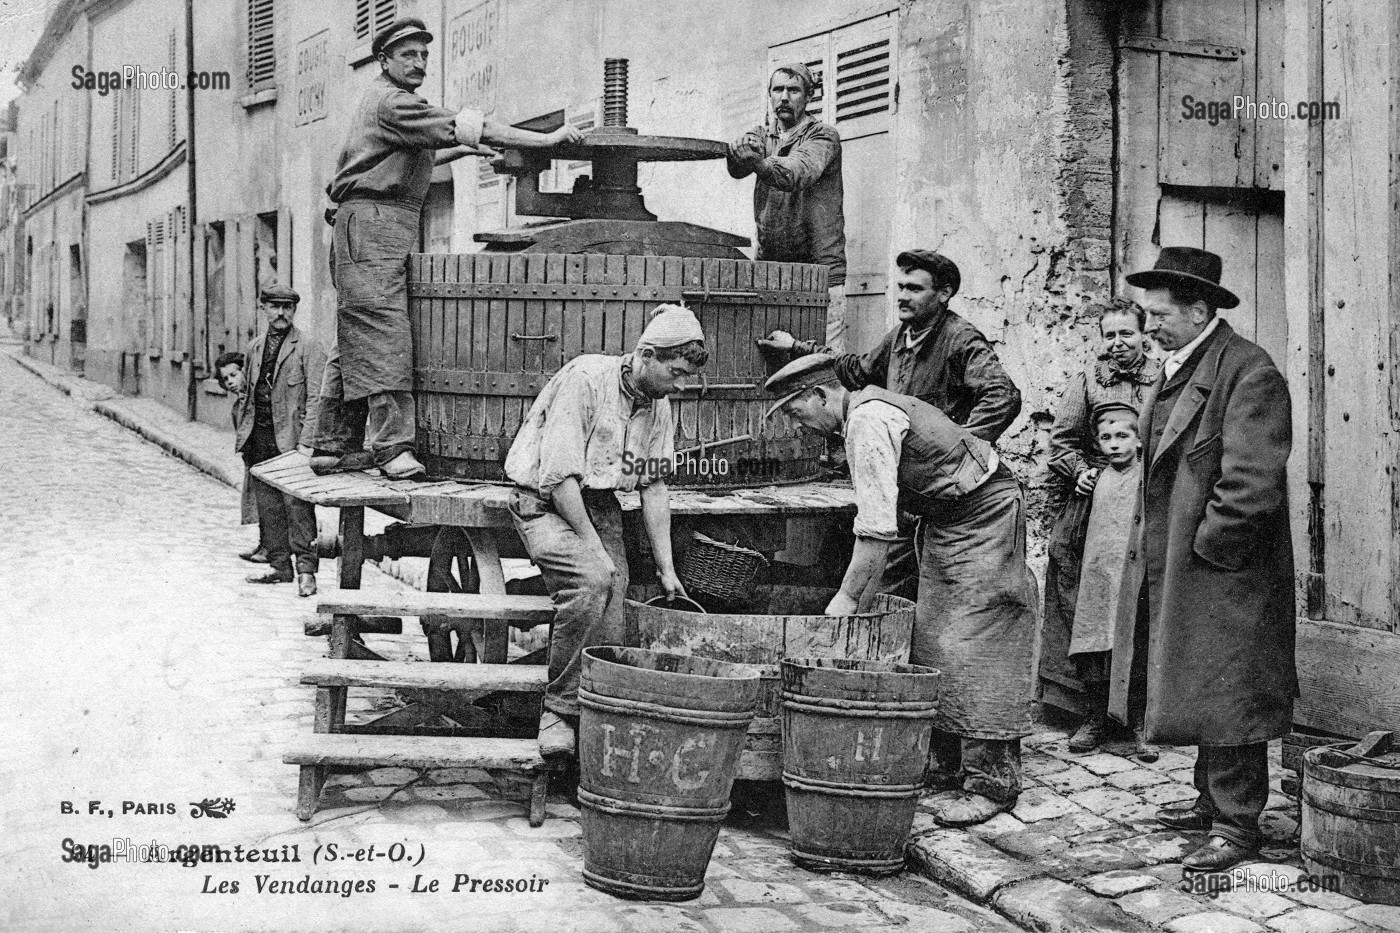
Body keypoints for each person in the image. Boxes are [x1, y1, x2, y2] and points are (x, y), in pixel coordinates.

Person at [764, 353, 1038, 826]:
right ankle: (951, 765)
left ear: (822, 395)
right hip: (948, 517)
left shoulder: (867, 422)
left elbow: (874, 531)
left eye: (795, 411)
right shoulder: (860, 414)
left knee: (977, 642)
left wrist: (847, 601)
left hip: (984, 514)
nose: (796, 425)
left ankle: (992, 781)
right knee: (936, 638)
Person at [308, 16, 582, 479]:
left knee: (358, 327)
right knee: (383, 329)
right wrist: (546, 139)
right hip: (373, 223)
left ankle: (331, 444)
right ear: (383, 60)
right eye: (407, 55)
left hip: (379, 222)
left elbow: (422, 153)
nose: (418, 63)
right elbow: (466, 125)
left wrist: (470, 152)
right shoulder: (392, 101)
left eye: (423, 55)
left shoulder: (393, 104)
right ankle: (393, 449)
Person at [1108, 247, 1297, 874]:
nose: (1149, 325)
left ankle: (1237, 824)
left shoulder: (1250, 370)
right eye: (1146, 313)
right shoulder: (1179, 363)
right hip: (1180, 562)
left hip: (1225, 568)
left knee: (1230, 689)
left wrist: (1209, 548)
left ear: (1198, 310)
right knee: (1195, 680)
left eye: (1159, 315)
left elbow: (1251, 482)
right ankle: (1205, 800)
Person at [759, 249, 1022, 596]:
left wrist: (960, 447)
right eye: (900, 287)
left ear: (943, 294)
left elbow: (1003, 396)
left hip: (953, 493)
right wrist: (798, 348)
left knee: (957, 597)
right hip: (909, 492)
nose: (902, 296)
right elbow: (855, 369)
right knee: (884, 585)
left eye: (914, 289)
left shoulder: (961, 339)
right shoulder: (900, 336)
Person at [504, 305, 702, 758]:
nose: (682, 385)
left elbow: (653, 485)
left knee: (614, 610)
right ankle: (557, 712)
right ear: (646, 354)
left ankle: (595, 720)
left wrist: (666, 568)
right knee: (594, 580)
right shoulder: (586, 379)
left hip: (600, 505)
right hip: (544, 502)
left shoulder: (659, 404)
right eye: (676, 372)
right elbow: (559, 478)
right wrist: (595, 550)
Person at [1037, 298, 1159, 755]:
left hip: (1146, 506)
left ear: (1143, 334)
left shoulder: (1162, 379)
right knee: (1088, 603)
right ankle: (1092, 712)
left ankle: (1141, 716)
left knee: (1142, 605)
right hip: (1095, 508)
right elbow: (1061, 444)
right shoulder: (1088, 380)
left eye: (1126, 333)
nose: (1118, 343)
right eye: (1109, 335)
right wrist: (1080, 472)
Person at [728, 63, 848, 350]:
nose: (784, 97)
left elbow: (797, 171)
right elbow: (736, 169)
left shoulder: (823, 136)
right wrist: (739, 150)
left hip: (819, 274)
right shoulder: (762, 135)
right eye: (777, 89)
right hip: (772, 272)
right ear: (769, 95)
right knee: (770, 362)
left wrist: (758, 162)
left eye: (793, 90)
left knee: (822, 364)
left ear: (808, 97)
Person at [1058, 401, 1144, 756]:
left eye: (1122, 436)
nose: (1114, 444)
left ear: (1139, 441)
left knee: (1135, 643)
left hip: (1133, 577)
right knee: (1095, 644)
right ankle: (1096, 717)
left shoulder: (1147, 478)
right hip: (1098, 577)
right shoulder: (1094, 480)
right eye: (1106, 438)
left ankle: (1139, 724)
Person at [236, 286, 326, 598]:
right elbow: (247, 395)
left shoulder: (308, 346)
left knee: (297, 507)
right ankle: (279, 566)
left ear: (294, 311)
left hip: (291, 441)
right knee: (268, 506)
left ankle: (306, 572)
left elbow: (318, 397)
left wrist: (307, 443)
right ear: (263, 308)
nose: (281, 313)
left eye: (287, 307)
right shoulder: (255, 348)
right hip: (259, 439)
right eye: (274, 307)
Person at [216, 351, 267, 565]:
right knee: (257, 503)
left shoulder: (256, 401)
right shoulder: (238, 406)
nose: (230, 382)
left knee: (268, 504)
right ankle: (264, 543)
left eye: (234, 375)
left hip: (264, 456)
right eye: (225, 378)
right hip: (252, 458)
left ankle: (271, 548)